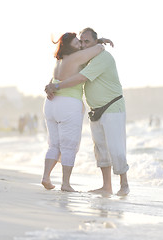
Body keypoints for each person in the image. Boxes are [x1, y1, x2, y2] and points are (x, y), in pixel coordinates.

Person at [45, 27, 130, 196]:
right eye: (81, 42)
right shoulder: (85, 59)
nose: (83, 45)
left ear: (94, 42)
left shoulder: (102, 57)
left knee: (116, 148)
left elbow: (81, 77)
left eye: (87, 42)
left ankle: (124, 184)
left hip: (112, 107)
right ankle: (107, 186)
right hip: (96, 110)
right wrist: (51, 83)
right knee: (100, 149)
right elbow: (67, 70)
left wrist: (55, 86)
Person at [42, 32, 107, 192]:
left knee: (54, 144)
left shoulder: (59, 61)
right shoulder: (76, 57)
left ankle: (46, 177)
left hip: (51, 104)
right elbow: (98, 49)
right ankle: (65, 184)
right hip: (68, 105)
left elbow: (53, 81)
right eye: (77, 42)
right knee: (69, 146)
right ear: (69, 45)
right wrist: (99, 41)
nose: (80, 45)